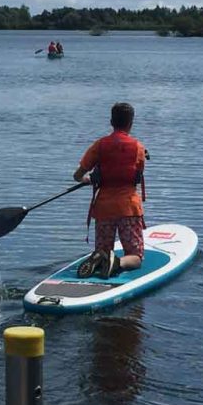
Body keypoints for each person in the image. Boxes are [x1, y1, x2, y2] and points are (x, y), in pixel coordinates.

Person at [72, 102, 147, 279]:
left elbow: (78, 175)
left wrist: (88, 179)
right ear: (131, 123)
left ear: (111, 121)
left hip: (104, 208)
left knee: (103, 250)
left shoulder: (99, 145)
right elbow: (135, 175)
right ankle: (117, 262)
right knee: (136, 257)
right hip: (129, 208)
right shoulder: (138, 148)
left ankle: (102, 256)